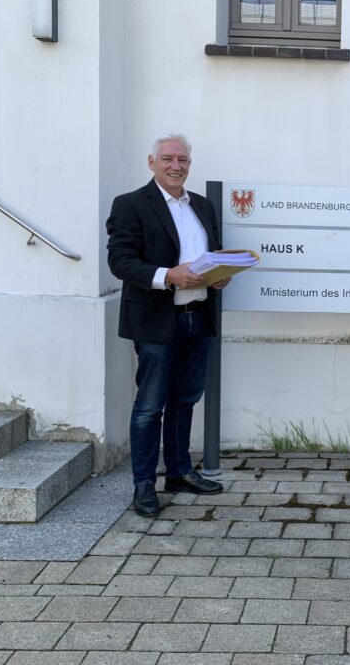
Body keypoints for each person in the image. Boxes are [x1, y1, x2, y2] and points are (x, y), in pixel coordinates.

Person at [106, 132, 230, 517]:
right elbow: (121, 261)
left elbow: (208, 256)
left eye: (183, 160)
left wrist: (220, 275)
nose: (176, 166)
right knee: (149, 406)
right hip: (158, 321)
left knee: (185, 401)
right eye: (168, 159)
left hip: (198, 317)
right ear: (152, 162)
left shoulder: (204, 207)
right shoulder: (130, 204)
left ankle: (179, 472)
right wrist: (168, 276)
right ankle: (143, 485)